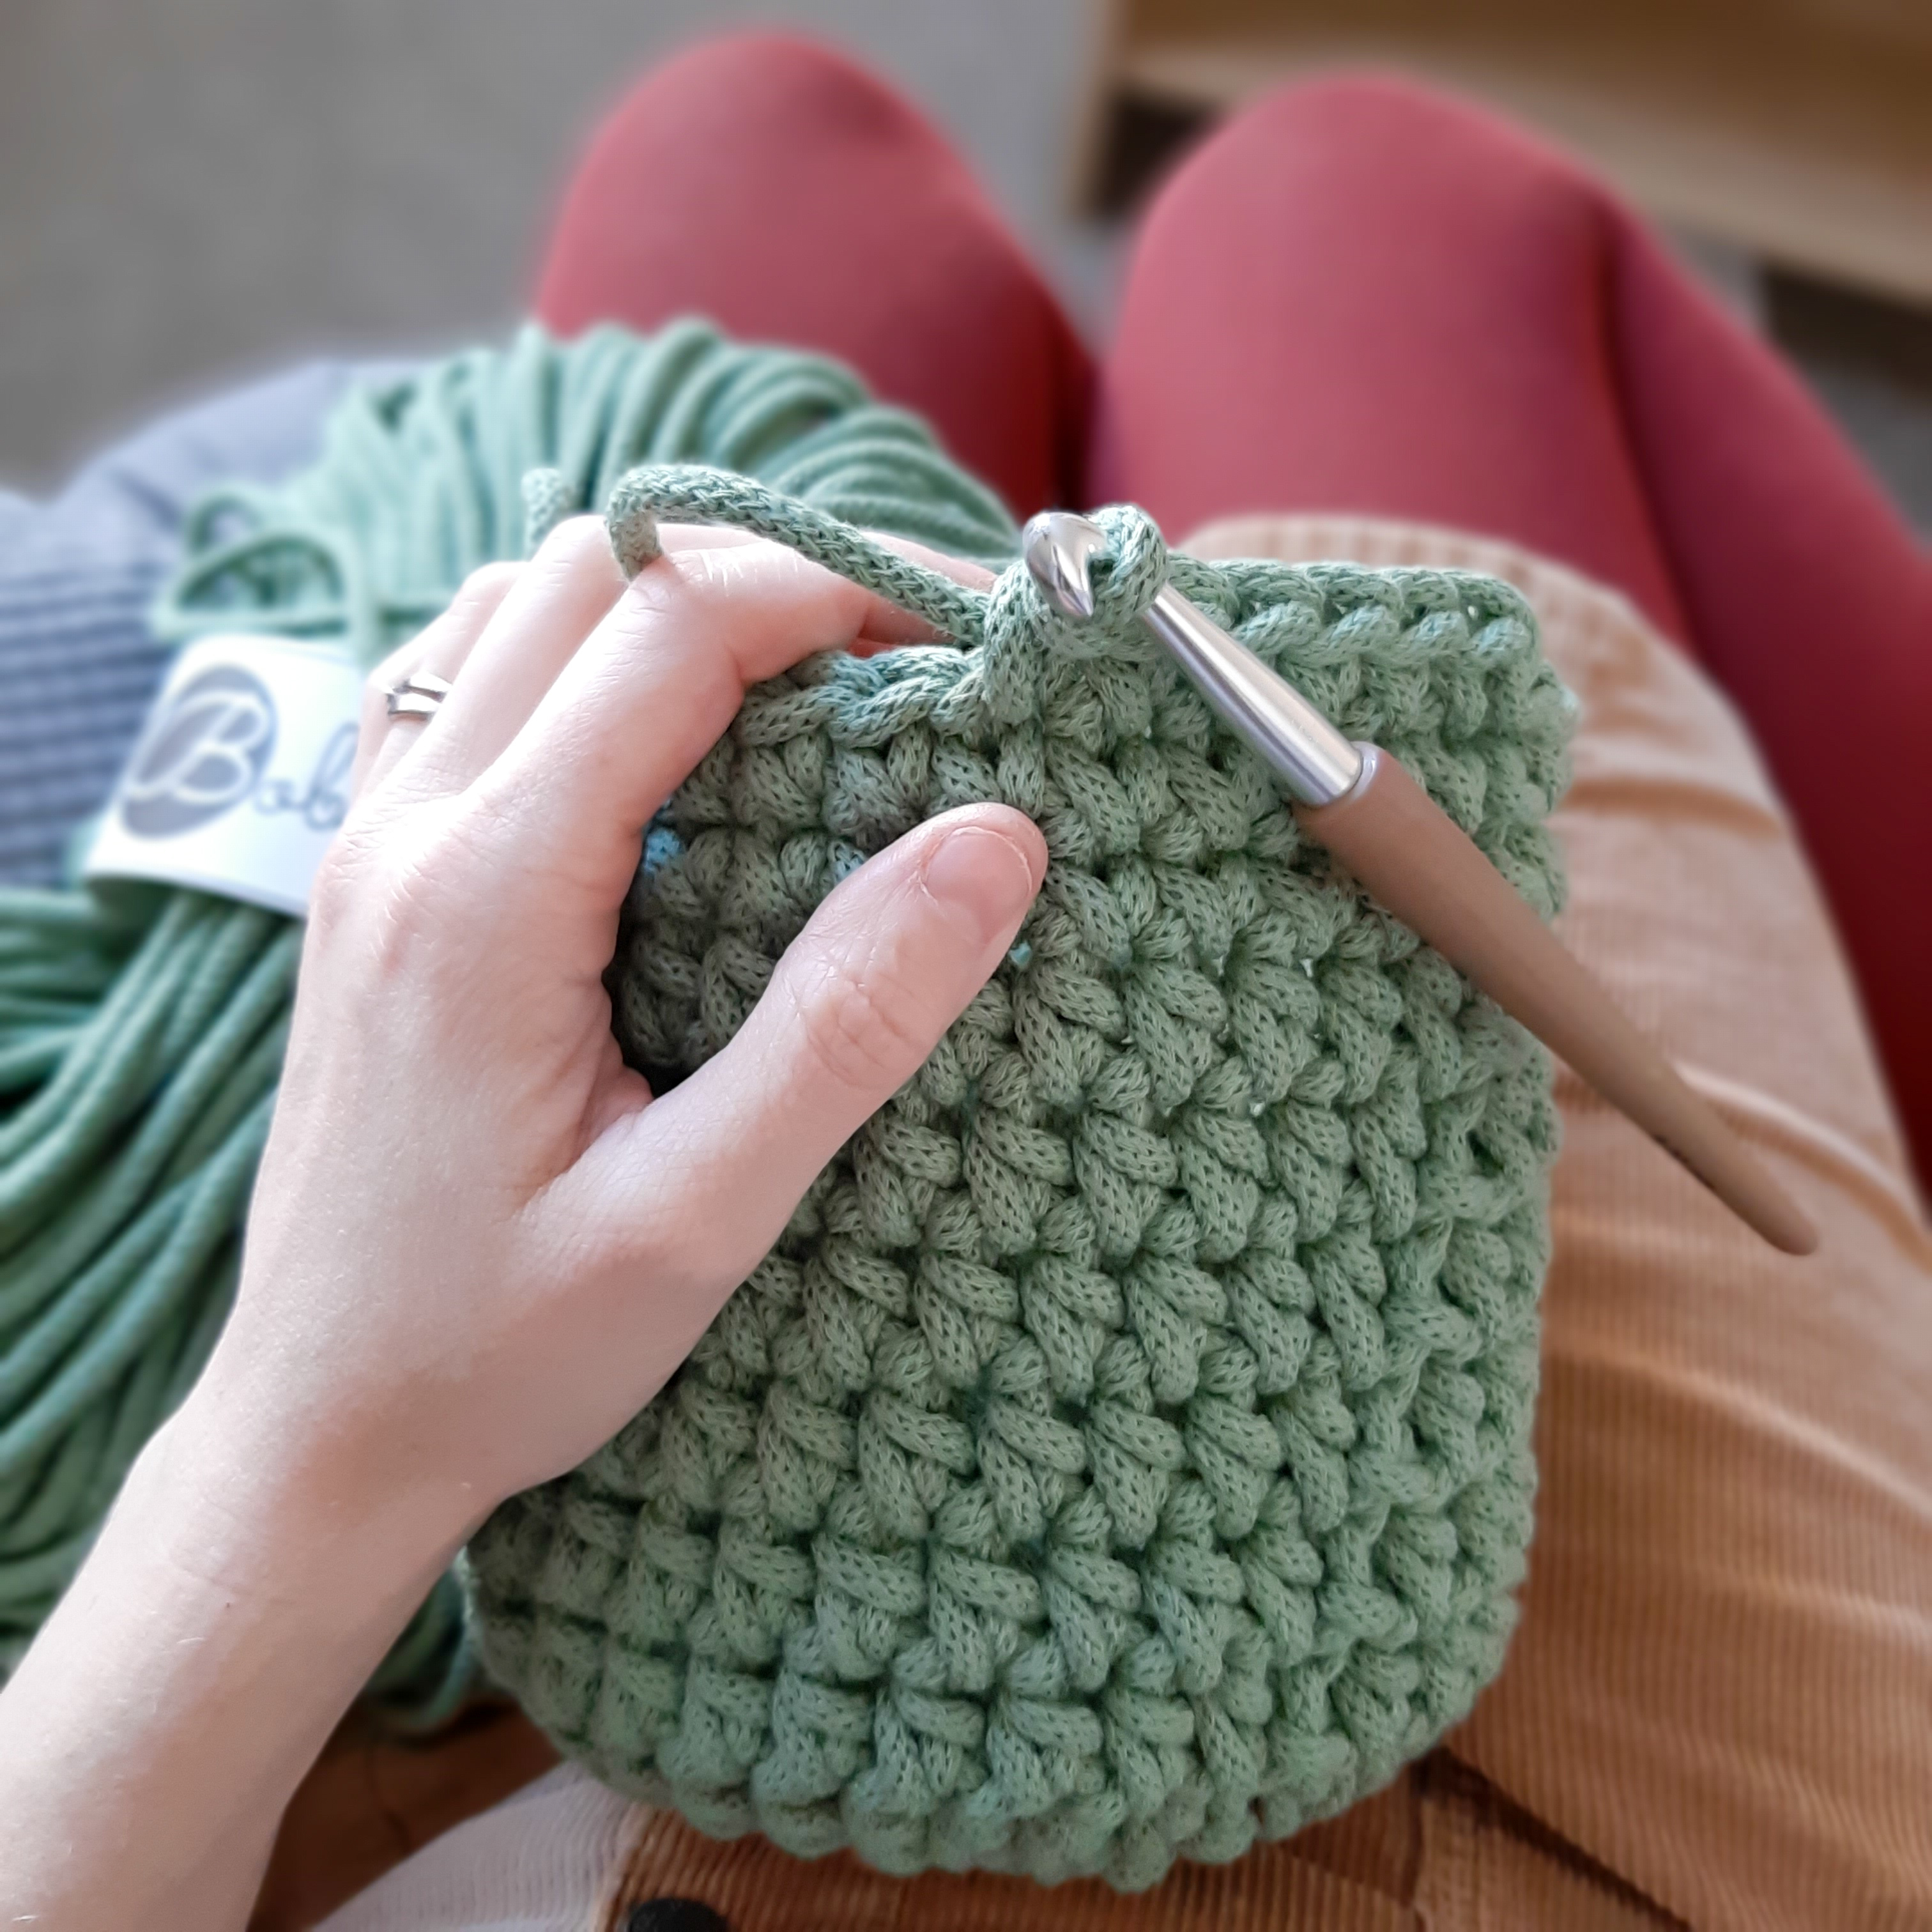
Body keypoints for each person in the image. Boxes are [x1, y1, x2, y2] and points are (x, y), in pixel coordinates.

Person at [1, 33, 1928, 1931]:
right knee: (1351, 189)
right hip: (1647, 1838)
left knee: (749, 137)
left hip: (540, 1752)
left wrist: (284, 1470)